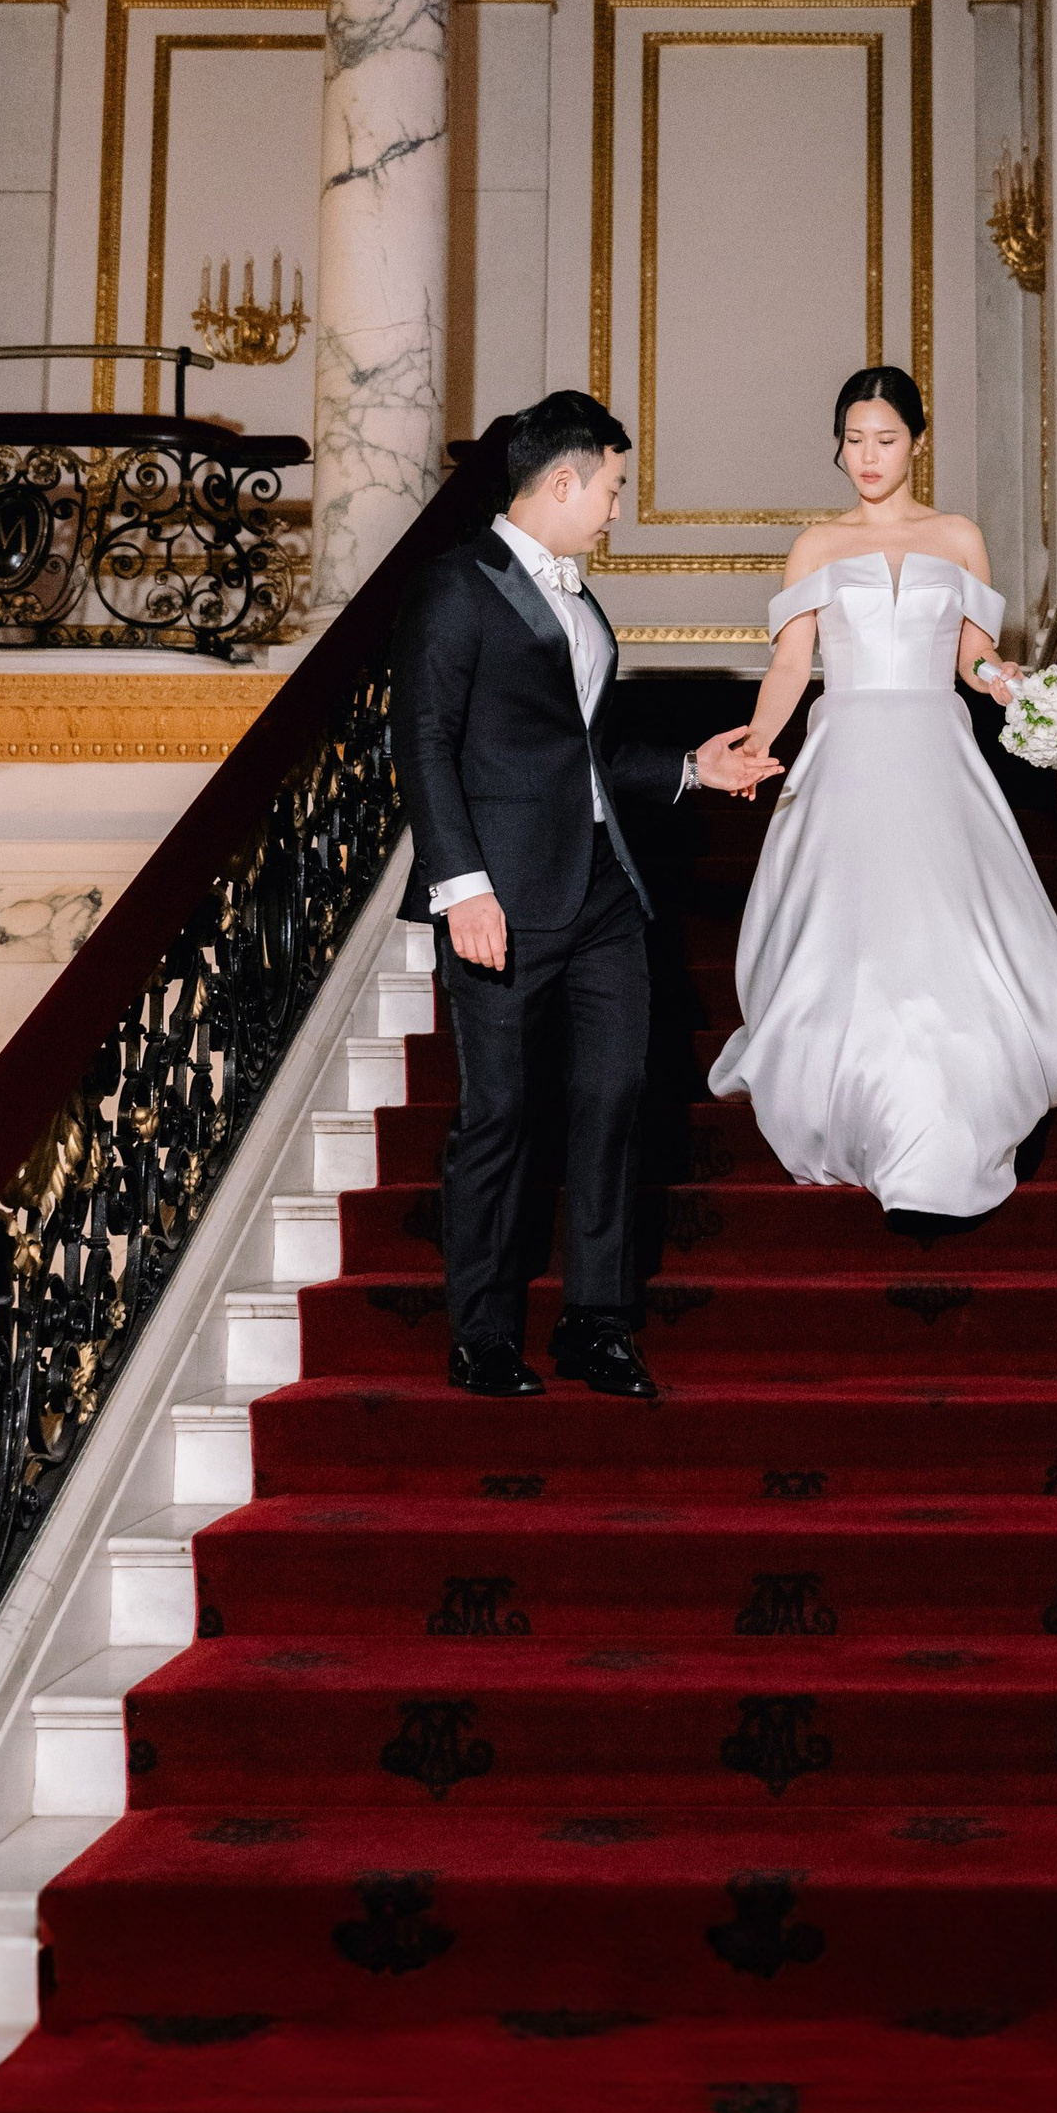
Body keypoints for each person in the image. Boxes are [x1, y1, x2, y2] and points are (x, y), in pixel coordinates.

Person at [391, 390, 768, 1401]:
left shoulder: (584, 601)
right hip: (501, 901)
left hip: (605, 890)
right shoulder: (456, 585)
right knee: (501, 1116)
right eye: (609, 487)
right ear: (562, 481)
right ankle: (483, 1337)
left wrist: (691, 768)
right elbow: (423, 741)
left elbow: (586, 753)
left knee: (613, 1103)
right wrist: (460, 887)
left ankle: (597, 1324)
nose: (614, 509)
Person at [706, 365, 1057, 1220]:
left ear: (917, 441)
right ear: (837, 445)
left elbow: (969, 656)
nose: (867, 457)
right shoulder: (816, 546)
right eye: (853, 440)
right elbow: (794, 664)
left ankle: (949, 1116)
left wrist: (1003, 680)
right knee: (855, 929)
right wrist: (760, 741)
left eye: (886, 439)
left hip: (934, 743)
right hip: (848, 747)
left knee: (945, 919)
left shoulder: (959, 537)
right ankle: (863, 1100)